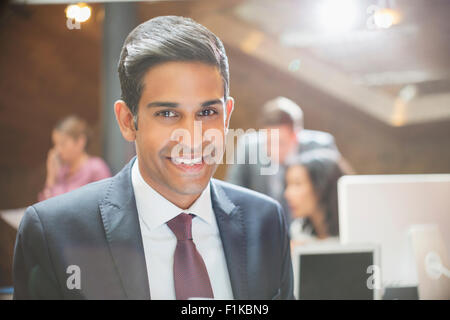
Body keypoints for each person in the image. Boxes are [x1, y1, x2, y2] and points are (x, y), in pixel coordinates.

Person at [13, 16, 294, 300]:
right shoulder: (54, 232)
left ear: (227, 116)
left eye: (207, 112)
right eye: (168, 114)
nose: (192, 138)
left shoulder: (267, 223)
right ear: (127, 121)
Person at [226, 96, 341, 226]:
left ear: (296, 136)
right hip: (263, 228)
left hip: (309, 230)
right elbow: (233, 194)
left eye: (280, 143)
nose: (274, 151)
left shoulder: (321, 148)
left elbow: (334, 199)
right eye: (269, 142)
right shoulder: (248, 146)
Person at [38, 115, 111, 201]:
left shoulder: (96, 168)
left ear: (80, 141)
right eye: (55, 144)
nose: (57, 150)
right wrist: (51, 177)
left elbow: (107, 201)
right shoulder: (61, 172)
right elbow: (45, 207)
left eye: (62, 143)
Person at [284, 149, 345, 244]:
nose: (287, 194)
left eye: (297, 184)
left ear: (321, 186)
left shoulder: (351, 233)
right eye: (288, 184)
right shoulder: (298, 231)